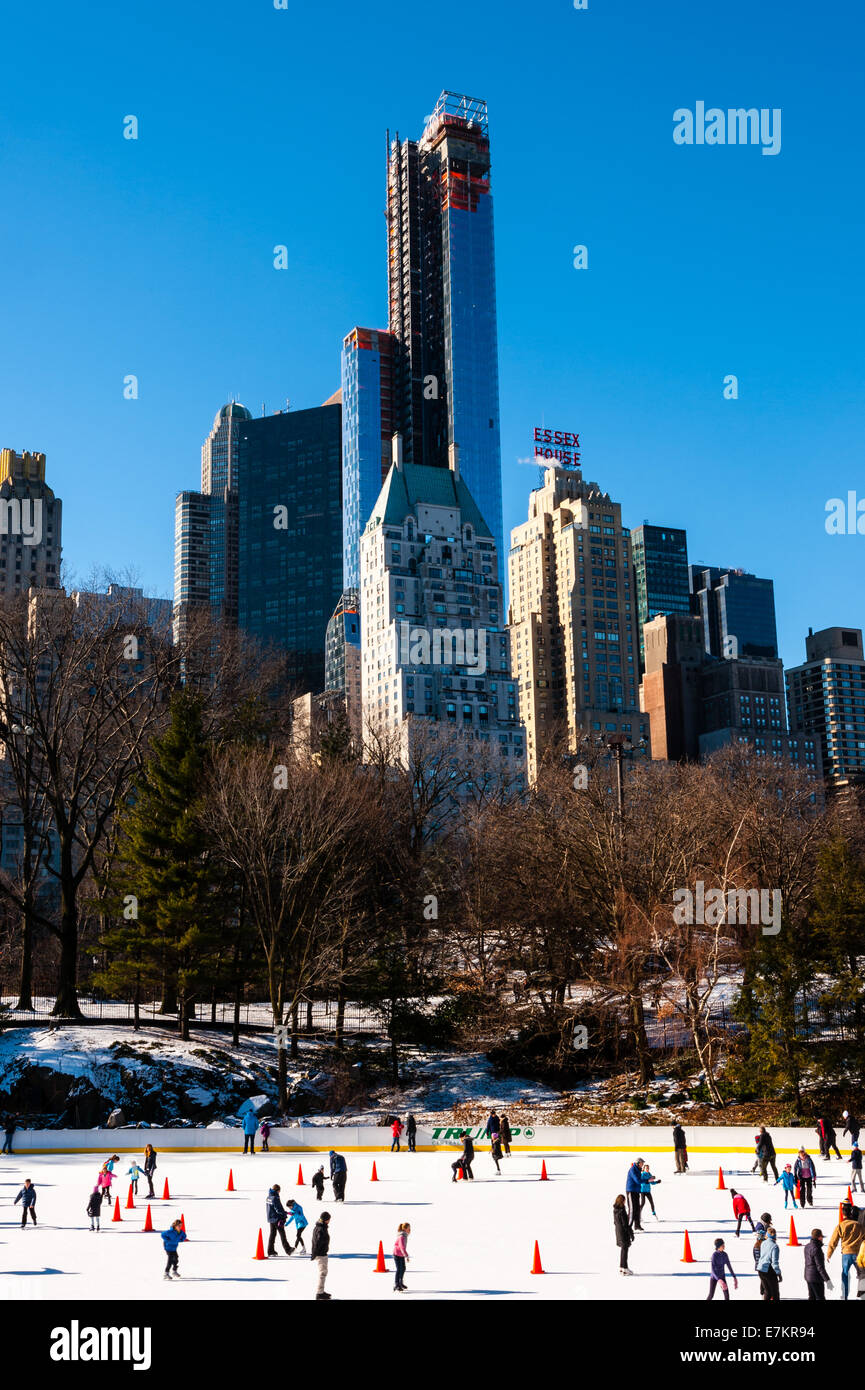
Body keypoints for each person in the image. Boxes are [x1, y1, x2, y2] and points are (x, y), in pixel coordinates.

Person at [826, 1202, 865, 1300]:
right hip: (858, 1253)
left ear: (843, 1214)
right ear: (851, 1214)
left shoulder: (841, 1225)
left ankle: (844, 1295)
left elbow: (833, 1240)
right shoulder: (859, 1225)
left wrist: (829, 1254)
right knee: (862, 1274)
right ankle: (863, 1294)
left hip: (846, 1254)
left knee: (845, 1274)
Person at [804, 1229, 832, 1301]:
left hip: (808, 1276)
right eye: (821, 1237)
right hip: (816, 1278)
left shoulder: (807, 1246)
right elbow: (820, 1267)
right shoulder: (817, 1249)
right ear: (819, 1237)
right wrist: (827, 1280)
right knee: (820, 1297)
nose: (822, 1239)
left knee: (812, 1297)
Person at [756, 1226, 782, 1301]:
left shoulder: (763, 1243)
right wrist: (778, 1273)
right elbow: (775, 1262)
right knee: (775, 1293)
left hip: (760, 1269)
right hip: (768, 1270)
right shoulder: (775, 1246)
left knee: (767, 1292)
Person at [310, 1211, 331, 1300]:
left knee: (323, 1272)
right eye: (329, 1219)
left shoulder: (319, 1226)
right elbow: (317, 1242)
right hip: (321, 1254)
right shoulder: (321, 1229)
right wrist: (315, 1253)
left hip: (321, 1253)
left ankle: (321, 1291)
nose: (330, 1221)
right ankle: (319, 1293)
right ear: (326, 1220)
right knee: (323, 1273)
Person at [266, 1184, 291, 1256]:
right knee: (282, 1234)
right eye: (279, 1191)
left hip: (271, 1219)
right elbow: (279, 1209)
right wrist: (285, 1214)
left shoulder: (268, 1197)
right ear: (277, 1190)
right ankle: (288, 1249)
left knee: (272, 1235)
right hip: (277, 1219)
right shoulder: (275, 1198)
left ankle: (270, 1251)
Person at [613, 1194, 633, 1275]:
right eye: (624, 1200)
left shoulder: (615, 1210)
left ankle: (622, 1267)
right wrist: (631, 1234)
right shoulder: (622, 1211)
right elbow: (625, 1225)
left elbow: (615, 1222)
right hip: (623, 1233)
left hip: (618, 1232)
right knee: (625, 1251)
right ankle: (625, 1268)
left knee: (623, 1250)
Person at [625, 1157, 644, 1230]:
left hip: (636, 1191)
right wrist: (646, 1180)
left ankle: (637, 1225)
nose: (643, 1164)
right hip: (631, 1191)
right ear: (638, 1163)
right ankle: (628, 1227)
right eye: (642, 1163)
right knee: (632, 1209)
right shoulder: (633, 1170)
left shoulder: (638, 1170)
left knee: (637, 1209)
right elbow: (638, 1180)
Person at [393, 1221, 410, 1292]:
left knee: (403, 1268)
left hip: (401, 1254)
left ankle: (400, 1282)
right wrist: (406, 1255)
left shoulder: (404, 1235)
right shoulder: (402, 1236)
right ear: (405, 1229)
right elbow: (402, 1247)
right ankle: (396, 1284)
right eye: (409, 1228)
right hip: (397, 1254)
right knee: (399, 1269)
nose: (410, 1230)